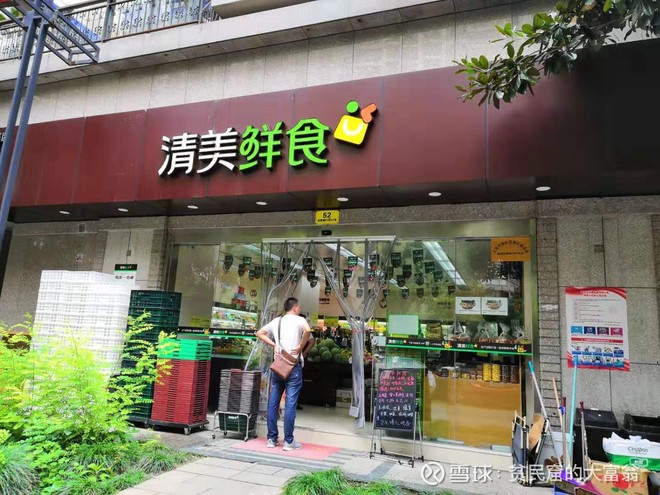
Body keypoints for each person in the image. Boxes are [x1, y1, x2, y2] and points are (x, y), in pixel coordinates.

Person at [255, 297, 311, 451]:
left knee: (273, 402)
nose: (299, 309)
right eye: (299, 307)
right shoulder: (300, 320)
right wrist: (300, 346)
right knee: (290, 404)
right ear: (295, 307)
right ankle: (288, 441)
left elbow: (259, 333)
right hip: (293, 366)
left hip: (278, 366)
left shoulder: (277, 321)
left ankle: (272, 439)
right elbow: (307, 330)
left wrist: (274, 344)